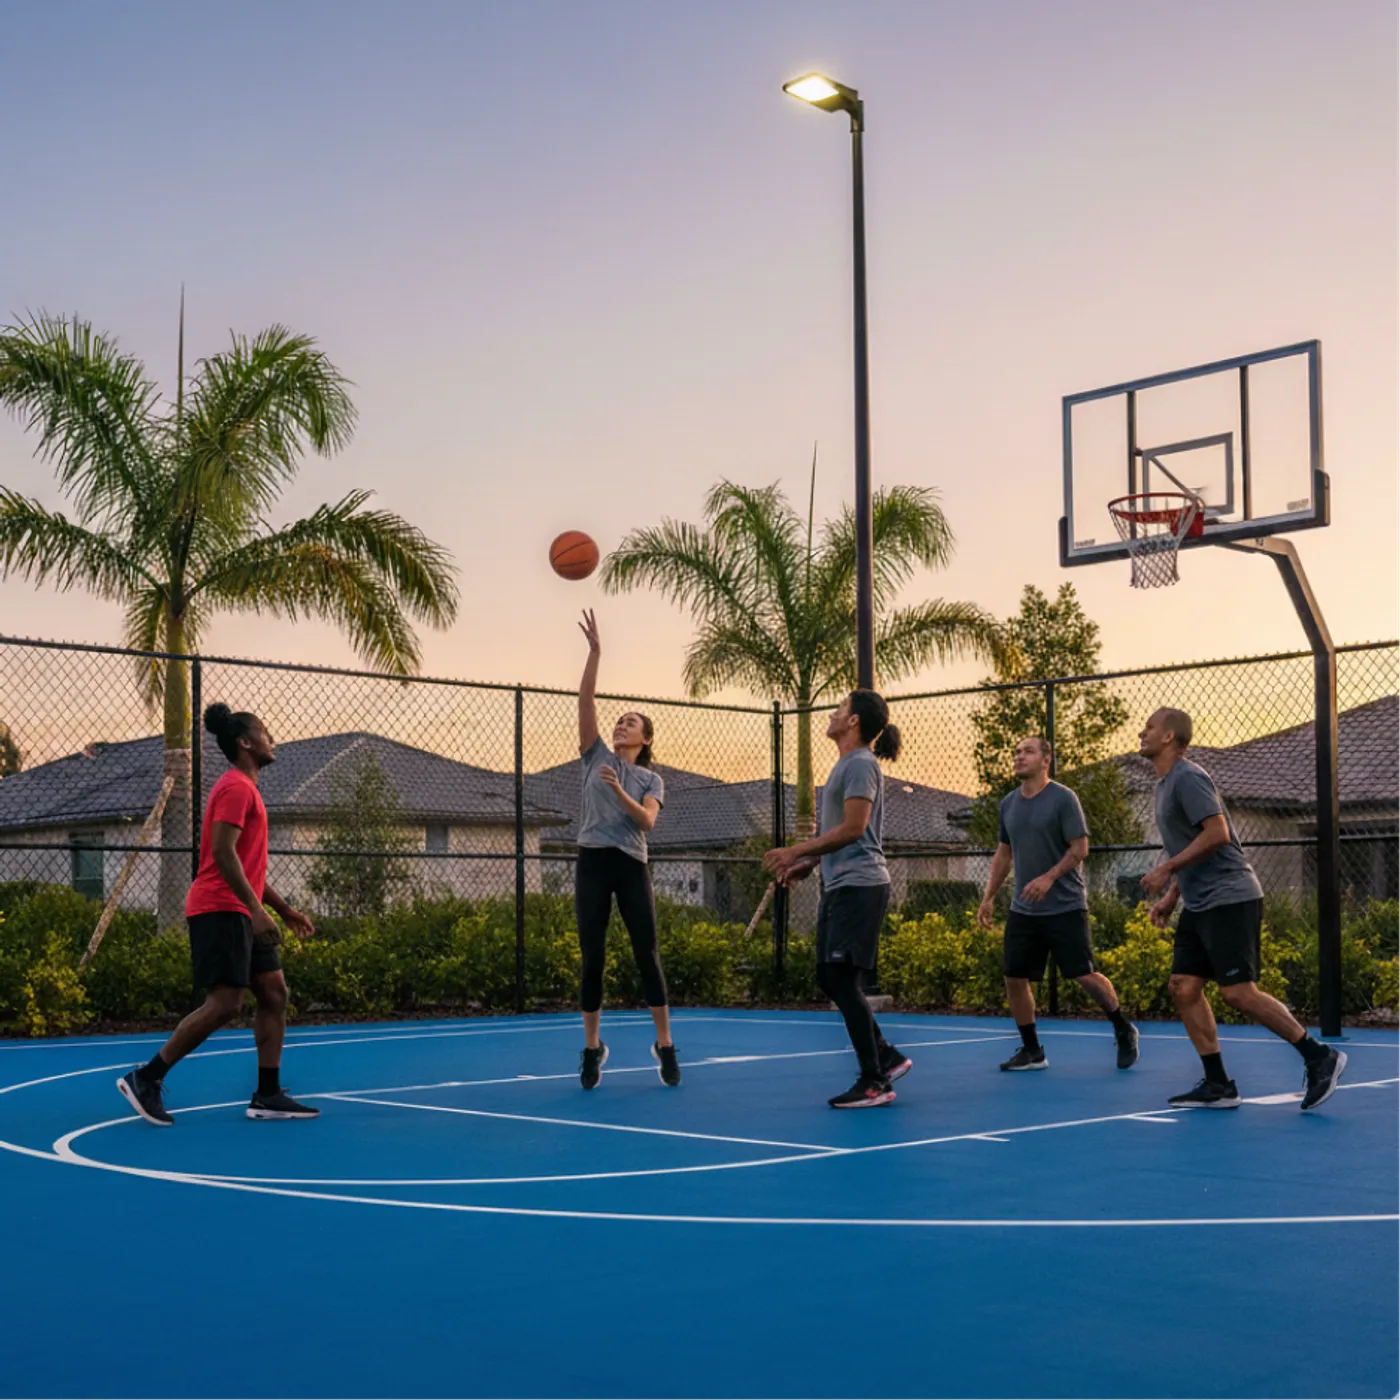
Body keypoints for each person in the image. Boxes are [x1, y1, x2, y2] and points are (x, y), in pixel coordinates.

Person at [116, 704, 318, 1127]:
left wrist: (283, 910)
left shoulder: (246, 789)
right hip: (219, 907)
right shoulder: (235, 788)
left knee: (274, 993)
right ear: (246, 743)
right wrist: (255, 910)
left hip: (240, 907)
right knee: (226, 1003)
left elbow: (245, 865)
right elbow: (223, 856)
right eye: (264, 731)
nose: (270, 737)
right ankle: (147, 1078)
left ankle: (267, 1094)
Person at [1138, 706, 1346, 1110]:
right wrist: (1172, 897)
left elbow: (1216, 833)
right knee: (1183, 986)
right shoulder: (1162, 786)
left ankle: (1319, 1056)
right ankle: (1219, 1084)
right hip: (1200, 902)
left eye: (1149, 727)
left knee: (1237, 992)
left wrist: (1166, 868)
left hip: (1231, 896)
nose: (1141, 733)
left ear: (1169, 737)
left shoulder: (1189, 777)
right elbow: (1189, 844)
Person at [764, 690, 911, 1108]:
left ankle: (875, 1080)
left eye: (840, 708)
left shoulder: (862, 763)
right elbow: (845, 834)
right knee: (830, 978)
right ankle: (884, 1057)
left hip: (861, 885)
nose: (832, 713)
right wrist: (807, 866)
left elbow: (854, 828)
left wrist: (797, 850)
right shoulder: (846, 765)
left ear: (853, 722)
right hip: (842, 883)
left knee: (841, 979)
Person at [977, 736, 1139, 1071]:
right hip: (1024, 910)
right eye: (1017, 752)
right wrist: (989, 897)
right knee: (1014, 977)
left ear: (1046, 759)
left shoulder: (1064, 799)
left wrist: (1049, 877)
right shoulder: (1008, 804)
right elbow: (1004, 854)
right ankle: (1032, 1050)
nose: (1020, 757)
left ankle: (1123, 1027)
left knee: (1084, 975)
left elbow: (1080, 849)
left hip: (1065, 906)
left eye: (1028, 752)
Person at [574, 610, 678, 1089]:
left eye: (630, 722)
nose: (620, 725)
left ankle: (665, 1044)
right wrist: (596, 653)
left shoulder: (650, 778)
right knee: (592, 956)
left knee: (646, 954)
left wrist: (619, 792)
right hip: (593, 861)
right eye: (618, 720)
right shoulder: (595, 755)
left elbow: (648, 821)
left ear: (645, 737)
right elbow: (586, 698)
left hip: (631, 865)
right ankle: (593, 1048)